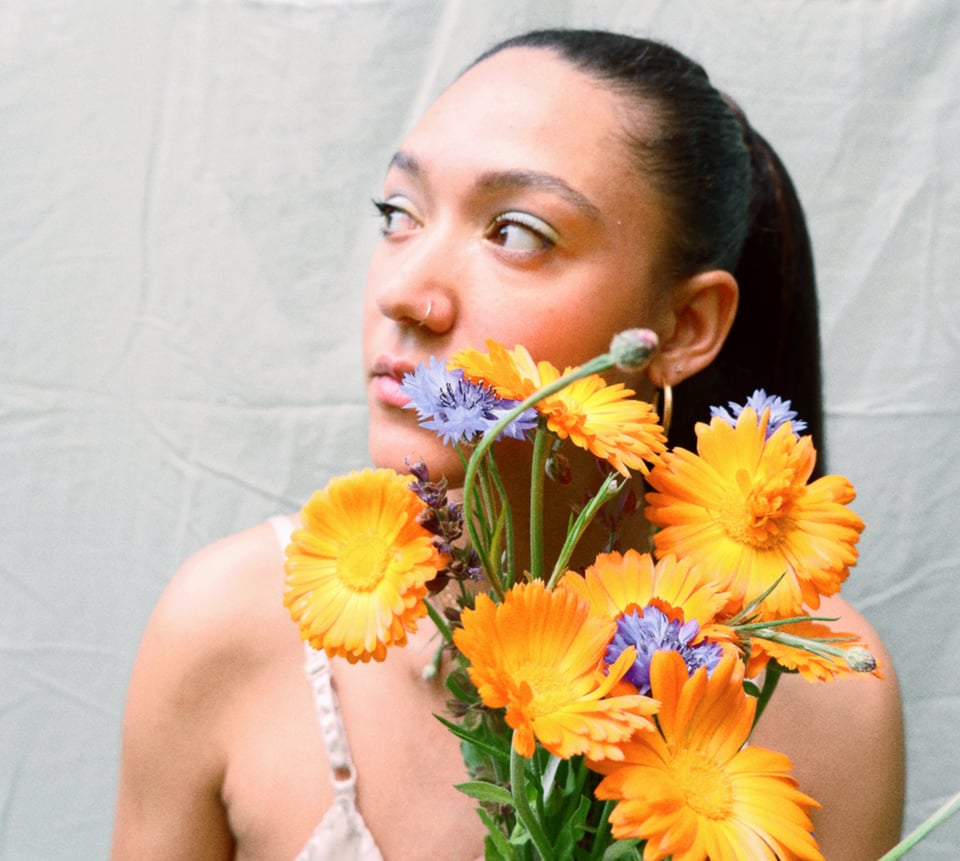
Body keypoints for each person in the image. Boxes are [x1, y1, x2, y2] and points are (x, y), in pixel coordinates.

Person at [111, 28, 905, 861]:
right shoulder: (229, 626)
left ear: (683, 325)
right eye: (399, 214)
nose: (406, 292)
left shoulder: (827, 696)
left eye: (516, 232)